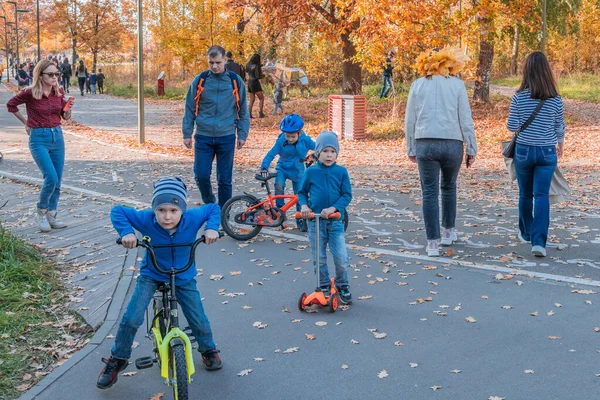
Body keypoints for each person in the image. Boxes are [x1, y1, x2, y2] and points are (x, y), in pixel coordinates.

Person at [96, 177, 223, 390]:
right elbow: (118, 210)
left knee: (198, 317)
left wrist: (212, 228)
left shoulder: (192, 218)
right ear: (154, 209)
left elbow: (213, 208)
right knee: (131, 317)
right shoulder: (146, 219)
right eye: (161, 210)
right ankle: (118, 358)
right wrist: (127, 233)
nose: (167, 217)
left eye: (174, 210)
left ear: (182, 209)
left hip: (183, 275)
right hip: (152, 274)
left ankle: (208, 349)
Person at [404, 46, 477, 257]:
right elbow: (465, 118)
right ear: (449, 64)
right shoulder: (457, 85)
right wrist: (471, 146)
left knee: (429, 192)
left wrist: (410, 146)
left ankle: (432, 243)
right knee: (449, 187)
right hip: (453, 142)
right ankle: (448, 231)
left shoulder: (417, 85)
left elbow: (410, 120)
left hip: (425, 141)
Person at [506, 52, 565, 258]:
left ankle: (526, 233)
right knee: (541, 195)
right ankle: (539, 243)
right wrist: (560, 143)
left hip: (523, 151)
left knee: (525, 194)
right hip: (547, 151)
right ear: (547, 71)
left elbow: (512, 125)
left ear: (526, 71)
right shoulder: (555, 99)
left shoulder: (519, 97)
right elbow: (559, 126)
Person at [6, 59, 73, 232]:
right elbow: (11, 105)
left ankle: (52, 214)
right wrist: (25, 122)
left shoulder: (58, 92)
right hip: (38, 138)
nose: (54, 77)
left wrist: (67, 110)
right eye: (50, 74)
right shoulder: (30, 92)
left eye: (56, 74)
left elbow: (64, 117)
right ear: (40, 75)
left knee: (57, 180)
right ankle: (41, 211)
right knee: (50, 177)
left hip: (57, 136)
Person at [182, 45, 250, 208]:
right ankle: (210, 203)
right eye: (211, 62)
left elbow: (243, 109)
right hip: (203, 136)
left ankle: (223, 212)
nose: (214, 66)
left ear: (226, 60)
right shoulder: (200, 80)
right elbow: (190, 107)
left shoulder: (235, 81)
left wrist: (242, 134)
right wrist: (187, 132)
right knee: (201, 175)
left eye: (218, 62)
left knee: (224, 179)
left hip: (226, 136)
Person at [299, 131, 352, 304]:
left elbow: (346, 195)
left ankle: (342, 284)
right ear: (317, 153)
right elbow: (301, 193)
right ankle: (322, 285)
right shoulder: (311, 172)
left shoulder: (341, 172)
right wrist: (305, 206)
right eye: (325, 151)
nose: (329, 155)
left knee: (341, 257)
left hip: (335, 221)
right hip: (315, 222)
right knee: (319, 257)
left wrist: (334, 208)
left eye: (332, 151)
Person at [260, 114, 315, 231]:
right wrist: (264, 167)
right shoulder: (281, 141)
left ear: (299, 133)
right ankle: (280, 212)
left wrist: (315, 155)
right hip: (283, 167)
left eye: (292, 136)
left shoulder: (306, 140)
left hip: (298, 170)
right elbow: (271, 154)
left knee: (300, 195)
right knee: (279, 185)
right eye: (287, 136)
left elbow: (319, 147)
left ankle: (301, 219)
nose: (289, 139)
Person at [246, 54, 265, 118]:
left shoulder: (248, 64)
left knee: (252, 99)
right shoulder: (256, 66)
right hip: (255, 83)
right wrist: (263, 75)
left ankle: (249, 114)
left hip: (249, 82)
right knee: (261, 98)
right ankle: (261, 113)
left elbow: (247, 72)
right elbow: (257, 76)